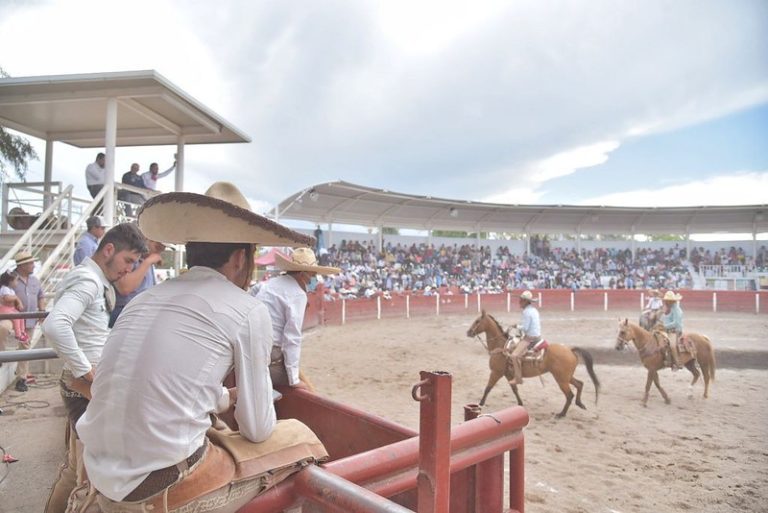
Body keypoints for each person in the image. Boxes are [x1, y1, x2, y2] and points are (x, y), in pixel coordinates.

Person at [75, 182, 323, 512]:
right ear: (239, 258)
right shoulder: (247, 309)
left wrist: (223, 399)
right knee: (303, 440)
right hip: (156, 485)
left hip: (99, 471)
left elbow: (157, 382)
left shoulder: (141, 301)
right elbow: (257, 428)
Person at [42, 223, 147, 513]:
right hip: (83, 386)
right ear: (109, 249)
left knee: (78, 466)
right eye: (128, 260)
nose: (128, 269)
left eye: (135, 264)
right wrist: (85, 370)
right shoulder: (89, 281)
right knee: (89, 472)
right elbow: (54, 325)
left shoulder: (91, 279)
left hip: (84, 384)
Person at [254, 247, 339, 389]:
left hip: (250, 346)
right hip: (268, 353)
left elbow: (252, 293)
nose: (313, 279)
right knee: (306, 388)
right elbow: (292, 338)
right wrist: (294, 379)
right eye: (312, 275)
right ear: (302, 274)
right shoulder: (297, 294)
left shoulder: (270, 283)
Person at [108, 238, 165, 327]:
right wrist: (148, 262)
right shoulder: (131, 256)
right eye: (158, 247)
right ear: (147, 239)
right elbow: (125, 287)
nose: (159, 252)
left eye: (163, 249)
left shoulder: (148, 260)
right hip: (124, 311)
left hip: (142, 311)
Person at [11, 251, 45, 392]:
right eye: (30, 263)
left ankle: (22, 377)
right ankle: (21, 377)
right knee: (23, 347)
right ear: (22, 265)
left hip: (30, 320)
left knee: (25, 347)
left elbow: (41, 296)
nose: (33, 265)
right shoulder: (10, 279)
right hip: (12, 320)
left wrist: (42, 311)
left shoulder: (35, 280)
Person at [509, 290, 541, 385]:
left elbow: (525, 328)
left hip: (530, 338)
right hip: (537, 335)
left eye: (521, 300)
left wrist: (516, 326)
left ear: (525, 301)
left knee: (514, 355)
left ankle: (518, 378)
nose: (519, 301)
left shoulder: (526, 312)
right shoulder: (534, 310)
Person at [0, 271, 29, 344]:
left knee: (21, 316)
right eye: (16, 280)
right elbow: (7, 298)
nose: (17, 283)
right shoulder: (4, 289)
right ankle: (18, 334)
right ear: (10, 281)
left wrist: (18, 301)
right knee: (16, 317)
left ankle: (22, 331)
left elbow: (15, 298)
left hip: (10, 309)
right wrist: (15, 298)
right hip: (4, 309)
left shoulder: (11, 290)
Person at [660, 290, 684, 370]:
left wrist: (665, 326)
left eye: (668, 301)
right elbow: (664, 318)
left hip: (675, 331)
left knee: (672, 345)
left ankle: (677, 363)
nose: (666, 302)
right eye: (666, 300)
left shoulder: (676, 310)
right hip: (667, 330)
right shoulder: (668, 308)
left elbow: (676, 323)